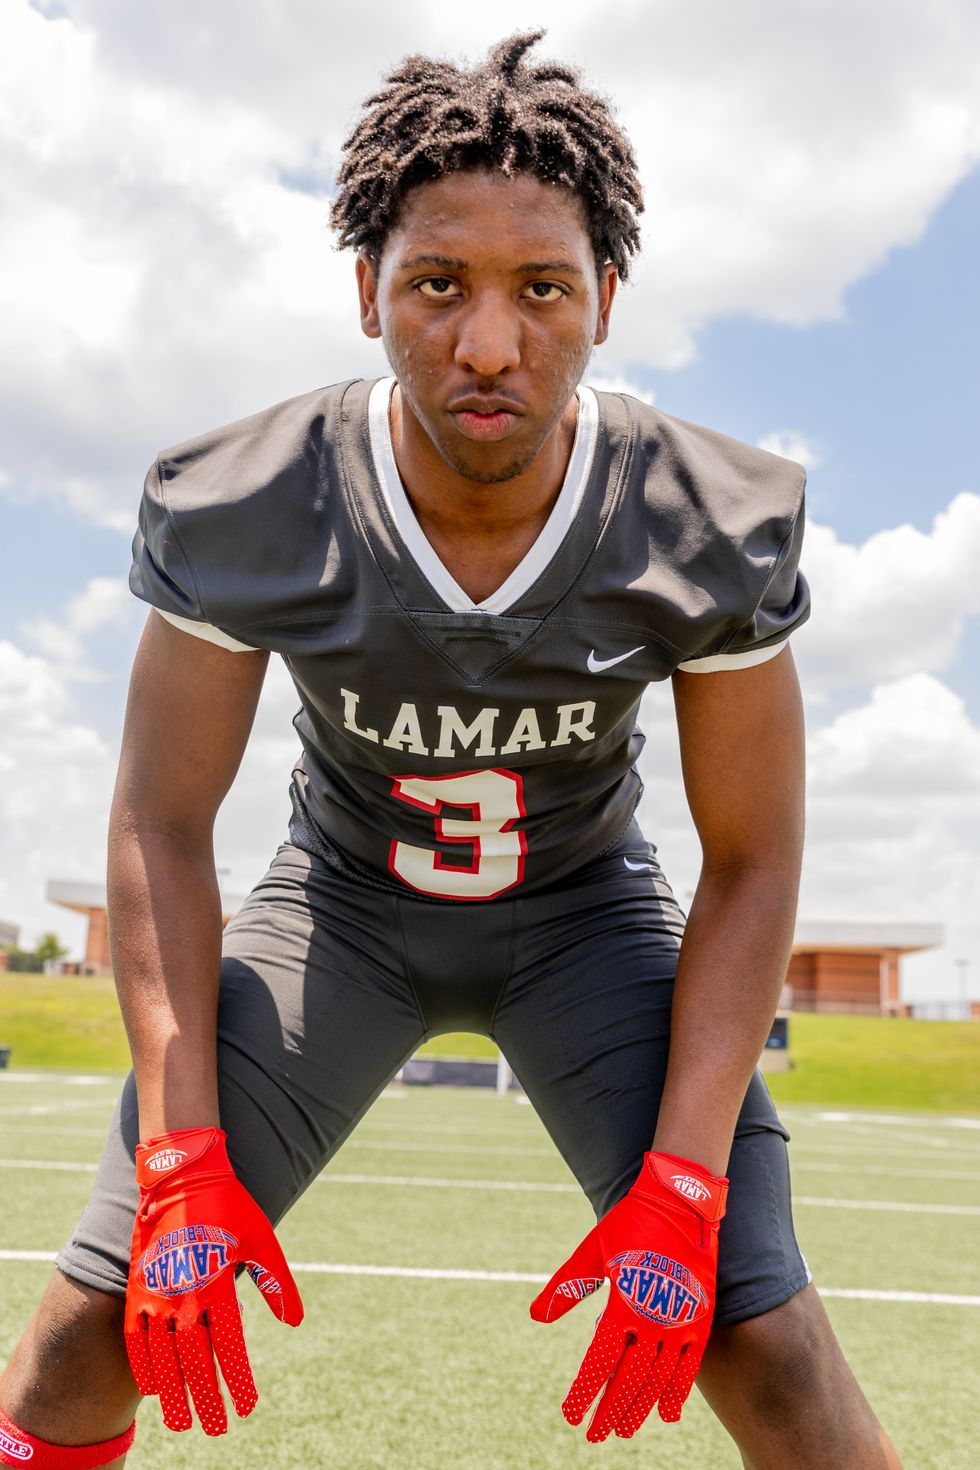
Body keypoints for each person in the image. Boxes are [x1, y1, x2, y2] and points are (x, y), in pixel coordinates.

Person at [0, 31, 902, 1470]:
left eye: (542, 287)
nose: (489, 343)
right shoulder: (254, 500)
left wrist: (683, 1184)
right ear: (367, 291)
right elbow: (160, 820)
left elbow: (753, 856)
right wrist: (178, 1157)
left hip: (584, 914)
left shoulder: (700, 519)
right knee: (94, 1331)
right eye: (437, 285)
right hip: (342, 906)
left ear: (605, 299)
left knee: (763, 1341)